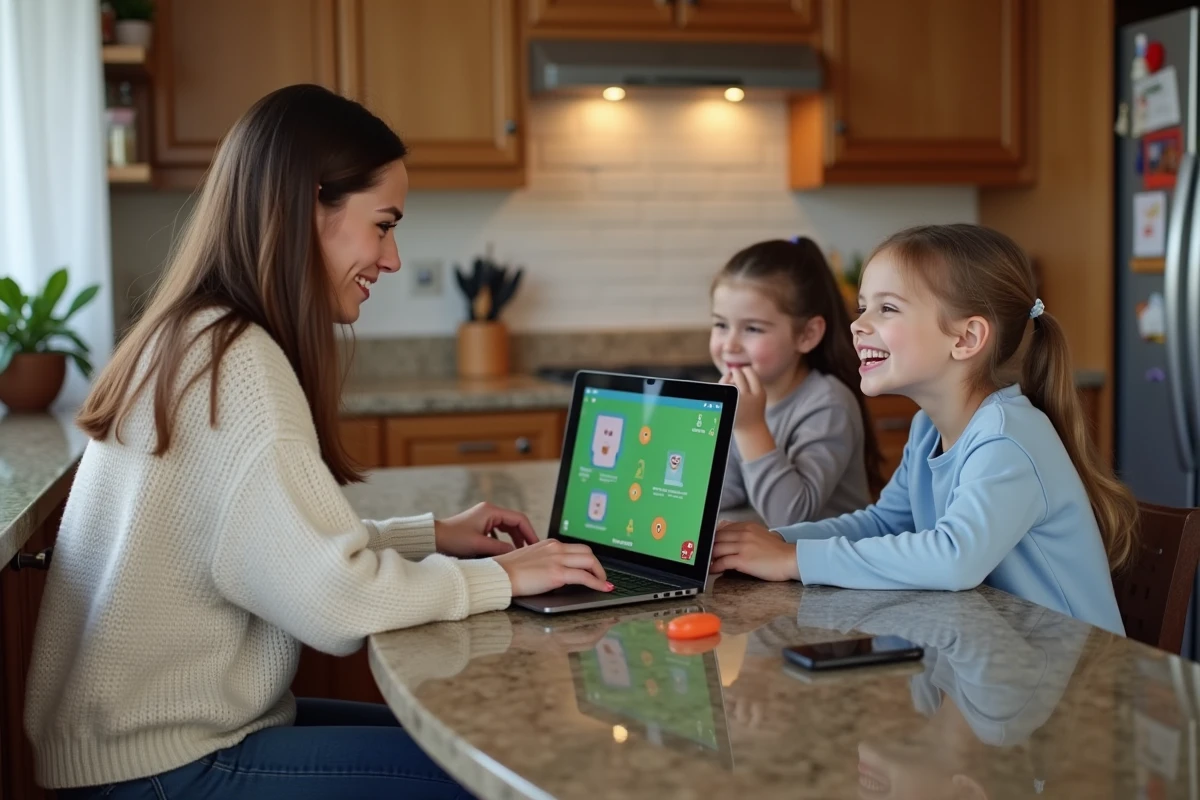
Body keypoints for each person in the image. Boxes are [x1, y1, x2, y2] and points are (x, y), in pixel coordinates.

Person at [26, 83, 611, 800]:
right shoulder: (235, 361)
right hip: (165, 769)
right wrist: (509, 577)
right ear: (310, 206)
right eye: (384, 224)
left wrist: (432, 534)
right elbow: (337, 605)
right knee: (500, 780)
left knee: (475, 745)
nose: (391, 258)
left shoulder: (195, 333)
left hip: (142, 748)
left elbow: (265, 549)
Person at [710, 224, 1136, 635]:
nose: (858, 324)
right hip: (1000, 665)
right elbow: (884, 523)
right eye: (863, 307)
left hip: (1072, 685)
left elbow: (953, 558)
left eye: (887, 308)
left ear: (966, 338)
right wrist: (769, 542)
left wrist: (791, 559)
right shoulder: (927, 429)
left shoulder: (1007, 438)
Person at [711, 237, 883, 528]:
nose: (730, 344)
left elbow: (791, 517)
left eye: (752, 328)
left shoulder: (828, 403)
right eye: (720, 325)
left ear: (807, 335)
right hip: (777, 564)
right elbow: (727, 492)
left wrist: (749, 427)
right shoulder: (743, 398)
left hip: (831, 566)